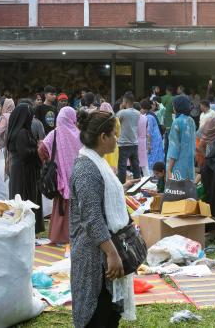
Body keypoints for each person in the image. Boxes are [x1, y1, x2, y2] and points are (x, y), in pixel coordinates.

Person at [70, 110, 138, 327]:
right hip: (94, 256)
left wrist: (120, 188)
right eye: (114, 134)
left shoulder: (97, 163)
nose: (117, 139)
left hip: (103, 251)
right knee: (97, 312)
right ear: (103, 137)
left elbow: (101, 199)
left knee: (109, 313)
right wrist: (112, 254)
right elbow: (92, 218)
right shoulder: (87, 170)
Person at [40, 107, 81, 245]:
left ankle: (59, 236)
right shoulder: (79, 134)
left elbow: (42, 149)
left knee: (61, 207)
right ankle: (77, 236)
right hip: (78, 175)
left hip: (61, 175)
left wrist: (50, 159)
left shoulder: (55, 133)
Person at [7, 103, 45, 233]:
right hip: (25, 171)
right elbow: (26, 153)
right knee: (24, 199)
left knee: (19, 199)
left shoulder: (18, 131)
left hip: (20, 170)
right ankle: (27, 228)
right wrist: (38, 148)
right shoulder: (22, 132)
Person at [0, 97, 15, 200]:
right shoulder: (16, 115)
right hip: (13, 147)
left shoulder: (4, 117)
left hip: (2, 148)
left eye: (1, 106)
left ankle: (4, 198)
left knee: (2, 175)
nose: (0, 108)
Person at [166, 95, 196, 181]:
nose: (173, 108)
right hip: (189, 162)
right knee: (187, 190)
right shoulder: (191, 120)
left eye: (173, 105)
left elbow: (174, 147)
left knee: (177, 191)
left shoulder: (177, 122)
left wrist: (169, 169)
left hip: (178, 163)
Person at [115, 95, 141, 182]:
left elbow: (115, 121)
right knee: (136, 165)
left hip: (123, 143)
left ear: (125, 102)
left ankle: (122, 185)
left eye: (123, 102)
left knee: (122, 166)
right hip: (134, 142)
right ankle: (137, 184)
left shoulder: (122, 112)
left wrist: (121, 108)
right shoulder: (138, 113)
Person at [141, 100, 164, 167]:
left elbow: (149, 132)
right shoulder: (151, 114)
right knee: (157, 157)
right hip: (156, 138)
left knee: (153, 158)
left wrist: (148, 145)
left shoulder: (149, 117)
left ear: (143, 108)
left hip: (154, 140)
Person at [99, 102, 120, 169]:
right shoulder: (115, 119)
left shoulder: (99, 120)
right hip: (113, 144)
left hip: (102, 144)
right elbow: (118, 133)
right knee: (113, 168)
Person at [137, 103, 149, 177]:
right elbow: (147, 130)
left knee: (135, 162)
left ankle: (138, 178)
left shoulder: (134, 118)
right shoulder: (145, 118)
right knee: (144, 162)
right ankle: (147, 178)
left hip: (136, 140)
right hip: (143, 140)